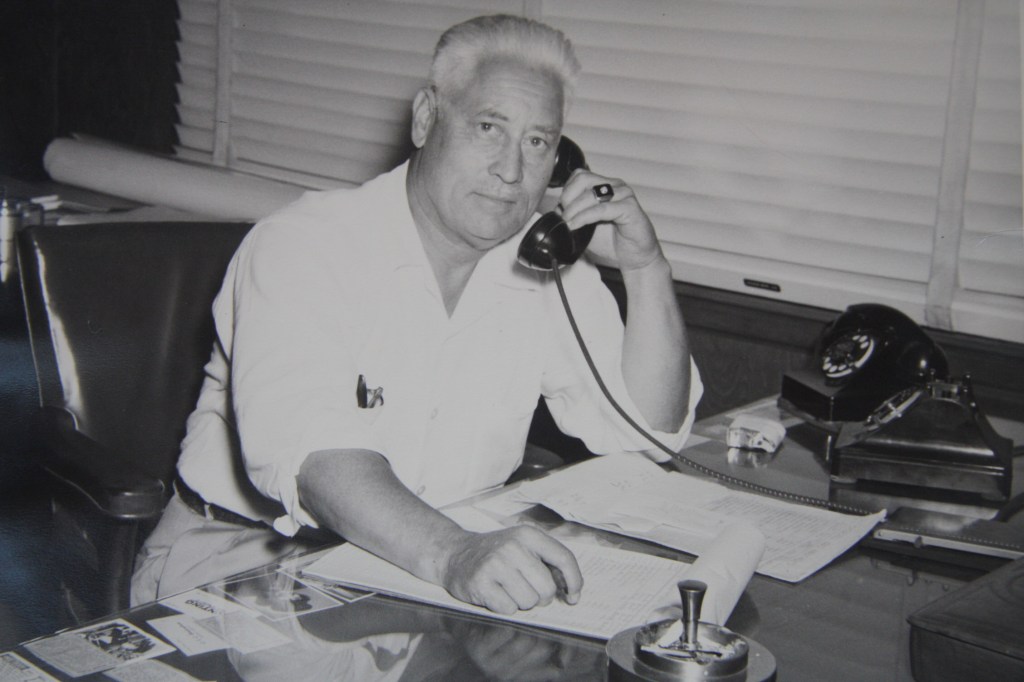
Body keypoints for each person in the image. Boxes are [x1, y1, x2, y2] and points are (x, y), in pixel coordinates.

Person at [131, 13, 703, 615]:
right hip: (243, 559)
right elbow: (313, 457)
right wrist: (455, 554)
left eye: (537, 142)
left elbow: (649, 432)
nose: (511, 171)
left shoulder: (546, 268)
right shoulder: (301, 247)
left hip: (427, 564)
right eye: (488, 127)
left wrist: (646, 268)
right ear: (427, 118)